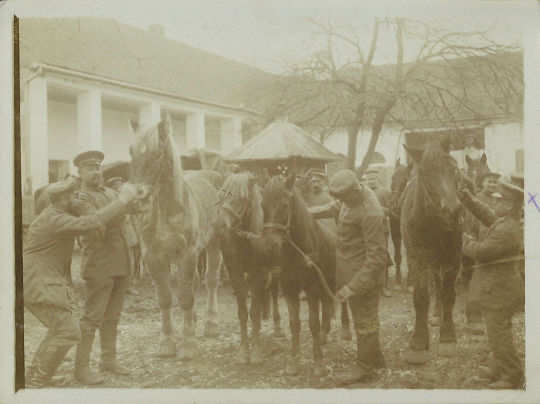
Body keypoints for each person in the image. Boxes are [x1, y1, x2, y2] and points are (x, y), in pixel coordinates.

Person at [23, 176, 142, 388]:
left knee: (59, 329)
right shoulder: (55, 218)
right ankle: (36, 383)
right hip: (38, 284)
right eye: (74, 196)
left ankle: (35, 375)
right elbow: (91, 222)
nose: (79, 198)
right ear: (63, 200)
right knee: (67, 331)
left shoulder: (57, 213)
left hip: (41, 282)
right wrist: (122, 200)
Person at [309, 169, 387, 383]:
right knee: (365, 316)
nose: (340, 201)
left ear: (354, 191)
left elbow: (377, 258)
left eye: (343, 197)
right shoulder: (350, 197)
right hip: (352, 270)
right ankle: (376, 357)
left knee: (365, 321)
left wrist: (354, 286)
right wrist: (307, 212)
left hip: (364, 277)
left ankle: (365, 369)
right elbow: (334, 207)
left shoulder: (370, 212)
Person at [73, 151, 134, 384]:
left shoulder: (109, 192)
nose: (96, 172)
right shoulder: (81, 198)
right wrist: (122, 202)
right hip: (99, 264)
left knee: (113, 316)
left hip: (120, 261)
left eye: (98, 167)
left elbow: (128, 212)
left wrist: (135, 196)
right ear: (80, 173)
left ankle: (108, 360)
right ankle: (81, 369)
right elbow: (96, 221)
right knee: (91, 318)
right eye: (90, 168)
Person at [458, 182, 525, 389]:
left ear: (509, 205)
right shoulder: (506, 222)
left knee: (499, 333)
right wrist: (468, 199)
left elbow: (481, 252)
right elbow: (487, 215)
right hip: (499, 288)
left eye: (499, 199)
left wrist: (464, 240)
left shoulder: (507, 230)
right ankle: (498, 368)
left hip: (499, 291)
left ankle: (512, 375)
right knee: (496, 332)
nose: (494, 201)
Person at [105, 176, 143, 296]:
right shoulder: (110, 199)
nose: (118, 188)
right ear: (111, 188)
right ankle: (118, 285)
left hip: (129, 231)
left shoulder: (127, 199)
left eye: (119, 185)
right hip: (115, 233)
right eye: (115, 186)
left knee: (131, 258)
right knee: (116, 259)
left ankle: (128, 284)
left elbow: (135, 212)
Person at [364, 167, 393, 297]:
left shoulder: (385, 192)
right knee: (367, 256)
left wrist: (377, 208)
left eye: (374, 179)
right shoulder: (362, 192)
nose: (371, 181)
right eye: (369, 179)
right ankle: (369, 285)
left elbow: (390, 209)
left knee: (382, 256)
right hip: (366, 229)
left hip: (382, 228)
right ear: (366, 180)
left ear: (378, 179)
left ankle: (384, 286)